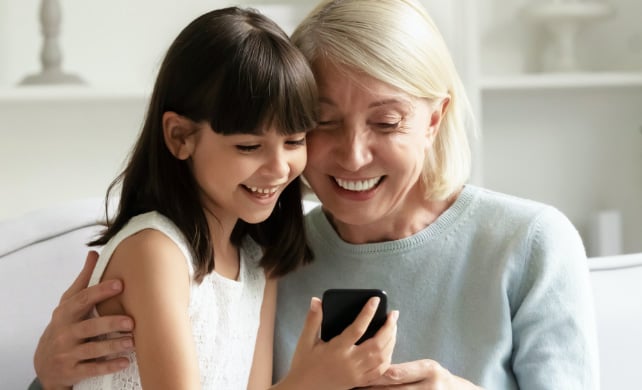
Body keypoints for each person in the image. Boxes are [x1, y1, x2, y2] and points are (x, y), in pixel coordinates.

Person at [31, 0, 599, 389]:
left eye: (387, 122)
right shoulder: (267, 245)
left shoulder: (530, 243)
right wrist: (48, 375)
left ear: (434, 119)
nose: (353, 155)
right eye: (323, 123)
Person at [45, 6, 398, 390]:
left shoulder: (256, 260)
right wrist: (312, 382)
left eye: (294, 141)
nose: (279, 168)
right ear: (180, 137)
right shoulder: (155, 251)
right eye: (249, 146)